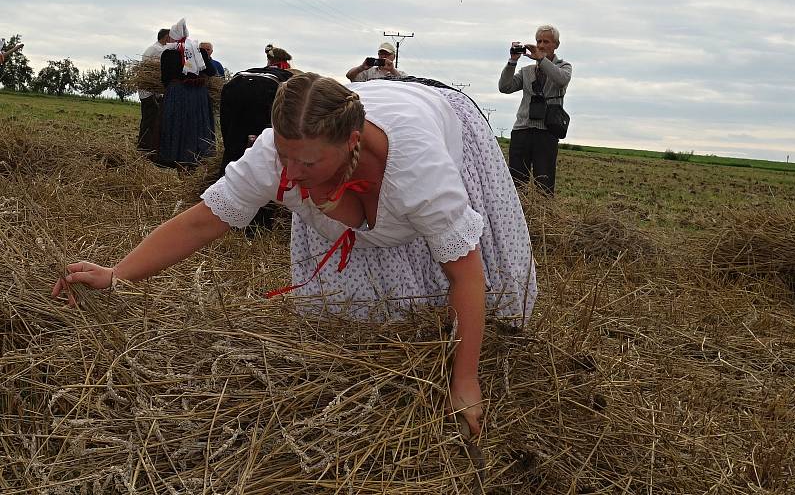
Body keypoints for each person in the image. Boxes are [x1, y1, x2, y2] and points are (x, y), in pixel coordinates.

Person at [52, 74, 537, 437]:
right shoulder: (279, 155)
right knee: (356, 331)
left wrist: (465, 381)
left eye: (307, 162)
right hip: (364, 139)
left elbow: (466, 275)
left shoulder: (420, 171)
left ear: (351, 142)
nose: (291, 172)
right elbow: (203, 221)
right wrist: (118, 274)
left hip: (436, 115)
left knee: (454, 283)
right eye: (285, 155)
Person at [217, 47, 294, 230]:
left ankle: (224, 210)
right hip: (266, 100)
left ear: (269, 60)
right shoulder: (289, 77)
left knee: (234, 150)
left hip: (234, 92)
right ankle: (259, 220)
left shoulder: (249, 73)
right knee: (262, 154)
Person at [499, 24, 572, 194]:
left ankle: (544, 217)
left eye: (546, 41)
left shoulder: (564, 66)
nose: (540, 45)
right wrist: (512, 61)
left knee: (544, 184)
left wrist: (541, 60)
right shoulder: (527, 71)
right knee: (517, 181)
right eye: (538, 41)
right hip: (522, 129)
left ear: (556, 45)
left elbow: (560, 80)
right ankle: (517, 216)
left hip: (547, 132)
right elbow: (505, 87)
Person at [157, 18, 218, 169]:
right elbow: (211, 71)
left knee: (178, 124)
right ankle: (196, 157)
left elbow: (165, 79)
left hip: (177, 94)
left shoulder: (168, 53)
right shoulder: (200, 51)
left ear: (174, 36)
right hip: (198, 95)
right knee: (197, 125)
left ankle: (175, 156)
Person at [138, 28, 169, 154]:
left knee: (150, 119)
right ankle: (145, 146)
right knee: (150, 120)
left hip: (149, 92)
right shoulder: (158, 50)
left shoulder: (154, 48)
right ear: (166, 37)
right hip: (150, 92)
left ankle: (146, 145)